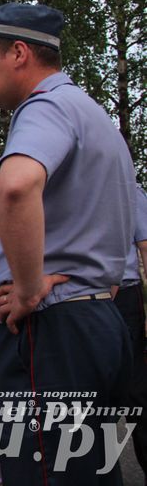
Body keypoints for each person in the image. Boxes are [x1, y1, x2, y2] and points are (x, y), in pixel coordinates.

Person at [0, 2, 136, 485]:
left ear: (18, 53)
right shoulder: (92, 115)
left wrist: (31, 287)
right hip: (90, 319)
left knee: (45, 472)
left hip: (49, 330)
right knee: (85, 470)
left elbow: (14, 185)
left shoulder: (46, 106)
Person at [113, 185, 147, 477]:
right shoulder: (75, 188)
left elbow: (146, 247)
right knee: (92, 394)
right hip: (84, 298)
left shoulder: (128, 192)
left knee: (137, 393)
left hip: (125, 296)